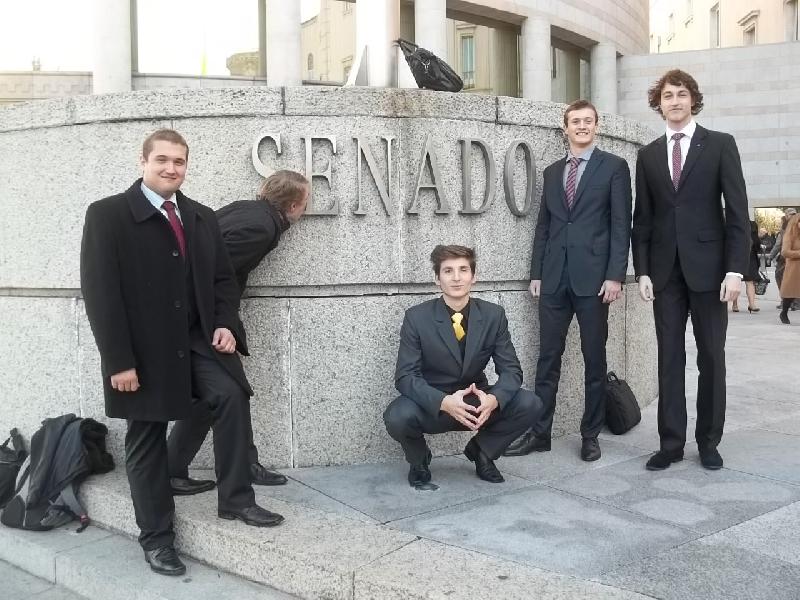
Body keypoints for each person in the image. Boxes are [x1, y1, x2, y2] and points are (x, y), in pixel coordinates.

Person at [81, 129, 284, 578]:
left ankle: (236, 499)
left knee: (230, 395)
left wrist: (226, 324)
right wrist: (119, 361)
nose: (171, 168)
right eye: (162, 160)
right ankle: (157, 539)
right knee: (146, 438)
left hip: (196, 340)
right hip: (142, 351)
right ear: (143, 162)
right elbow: (100, 294)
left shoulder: (200, 217)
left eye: (179, 161)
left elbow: (223, 281)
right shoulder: (107, 215)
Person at [632, 70, 749, 471]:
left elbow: (737, 213)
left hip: (711, 273)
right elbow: (643, 219)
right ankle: (671, 443)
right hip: (665, 273)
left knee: (711, 357)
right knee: (669, 358)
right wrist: (642, 271)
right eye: (668, 95)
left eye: (682, 94)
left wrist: (735, 270)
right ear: (659, 104)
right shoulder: (648, 155)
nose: (675, 101)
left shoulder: (719, 144)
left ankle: (709, 441)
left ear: (693, 99)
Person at [503, 100, 632, 462]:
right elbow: (544, 226)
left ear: (596, 126)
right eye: (575, 121)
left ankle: (590, 435)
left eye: (588, 121)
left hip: (594, 282)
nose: (582, 126)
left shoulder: (614, 167)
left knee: (594, 360)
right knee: (547, 358)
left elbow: (621, 225)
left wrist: (615, 276)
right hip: (554, 280)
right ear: (566, 128)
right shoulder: (552, 172)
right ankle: (539, 433)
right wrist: (537, 273)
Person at [167, 170, 310, 488]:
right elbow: (214, 274)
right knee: (230, 390)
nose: (306, 208)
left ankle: (172, 471)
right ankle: (238, 471)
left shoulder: (246, 210)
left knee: (213, 396)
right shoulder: (261, 228)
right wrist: (223, 323)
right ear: (293, 205)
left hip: (190, 317)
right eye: (306, 202)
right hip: (198, 320)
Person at [384, 245, 542, 487]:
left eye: (463, 270)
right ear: (437, 279)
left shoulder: (494, 315)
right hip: (435, 405)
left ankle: (482, 451)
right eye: (448, 271)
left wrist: (494, 399)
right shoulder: (416, 317)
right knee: (397, 416)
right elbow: (405, 376)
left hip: (476, 404)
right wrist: (443, 402)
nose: (456, 277)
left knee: (530, 403)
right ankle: (419, 460)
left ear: (473, 276)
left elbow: (511, 371)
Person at [732, 220, 761, 313]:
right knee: (744, 281)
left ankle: (744, 305)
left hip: (743, 258)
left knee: (743, 281)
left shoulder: (739, 232)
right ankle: (744, 304)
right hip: (744, 258)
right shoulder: (754, 236)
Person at [779, 213, 800, 324]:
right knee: (790, 294)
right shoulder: (790, 235)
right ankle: (784, 312)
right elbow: (785, 252)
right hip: (794, 269)